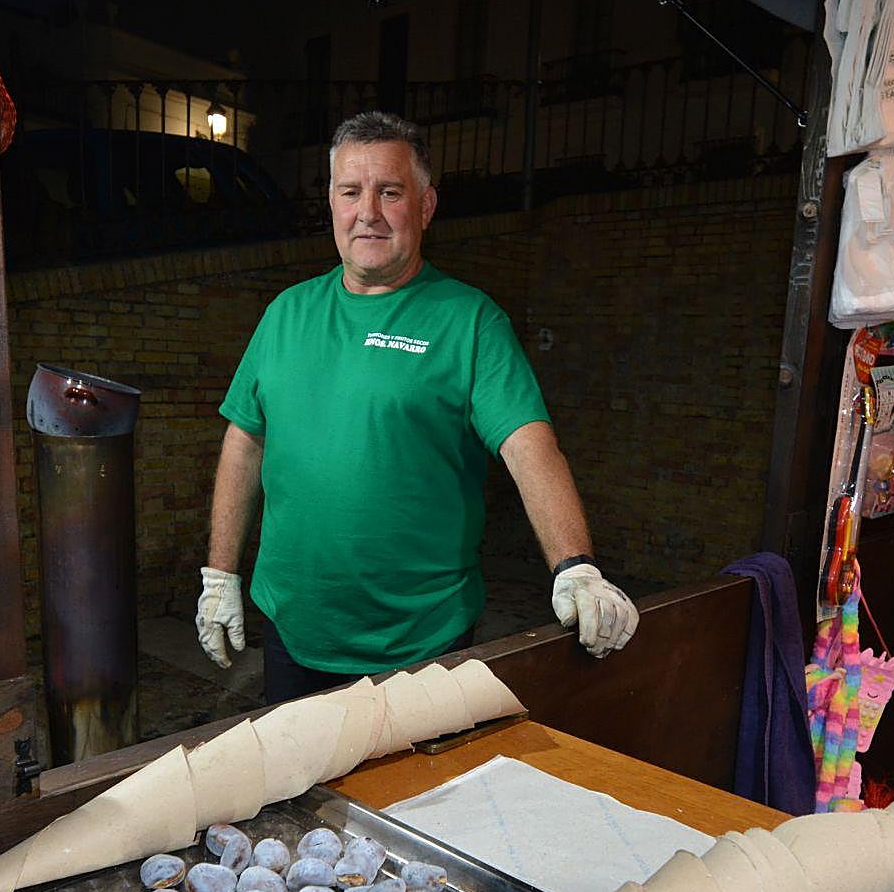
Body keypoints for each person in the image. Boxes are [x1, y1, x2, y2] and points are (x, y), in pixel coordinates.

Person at [196, 111, 638, 703]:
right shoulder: (286, 314)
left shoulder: (470, 321)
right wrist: (220, 575)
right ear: (331, 203)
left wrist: (574, 565)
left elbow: (529, 445)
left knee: (411, 798)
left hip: (421, 644)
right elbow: (245, 441)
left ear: (426, 206)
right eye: (350, 192)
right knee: (300, 795)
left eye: (390, 192)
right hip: (293, 630)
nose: (368, 213)